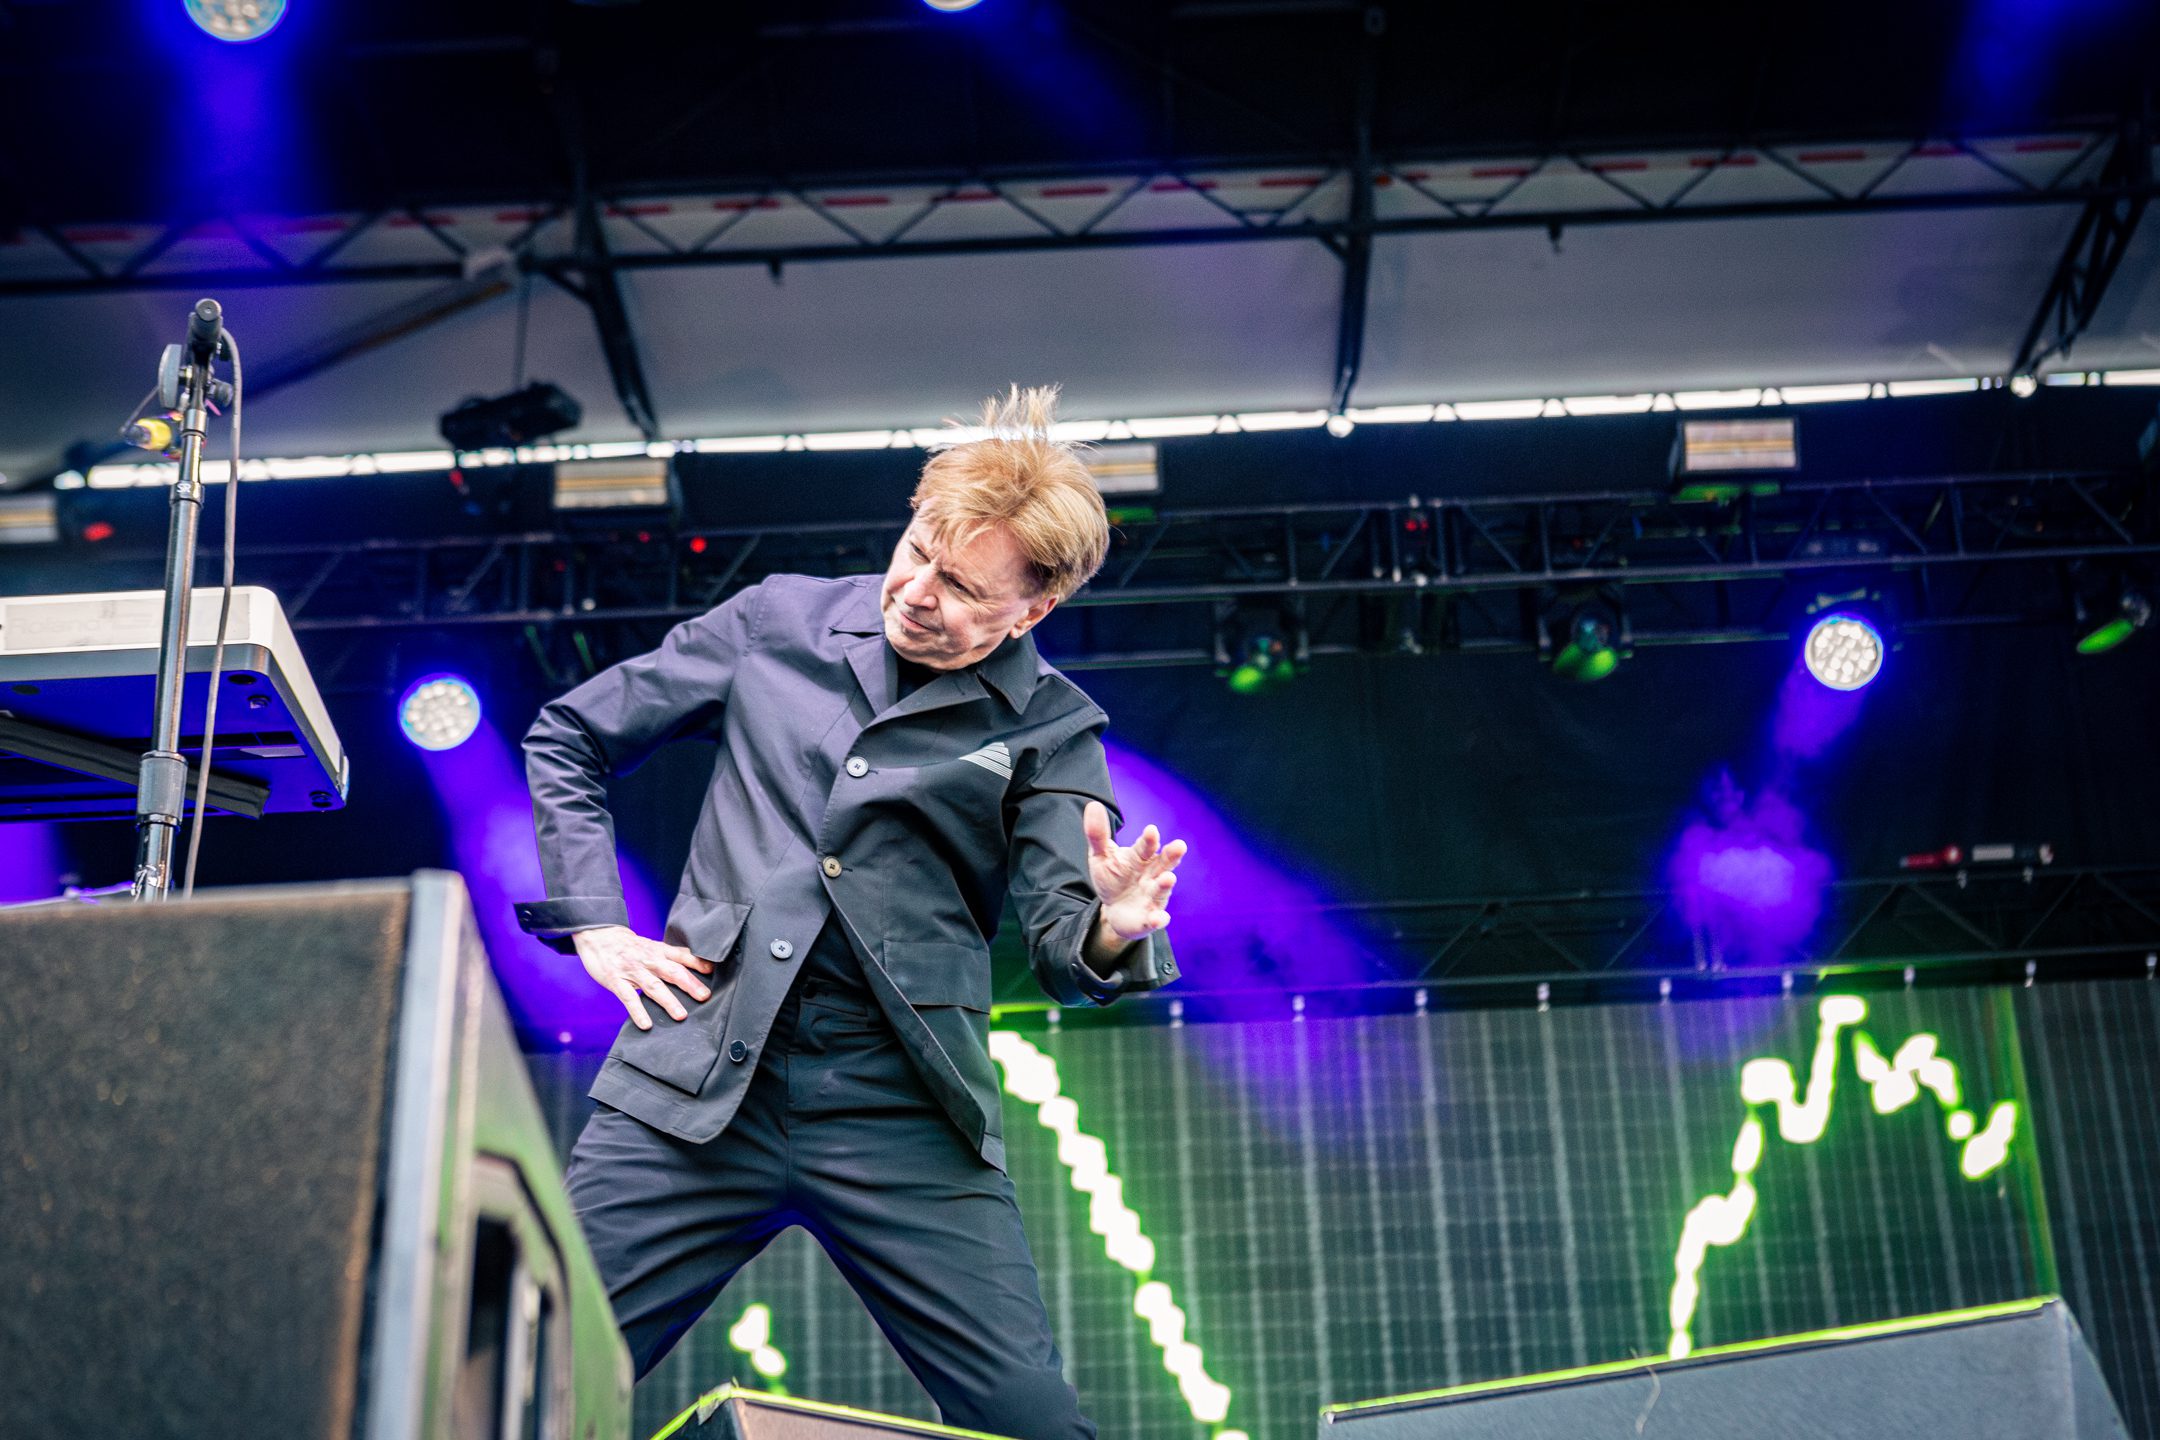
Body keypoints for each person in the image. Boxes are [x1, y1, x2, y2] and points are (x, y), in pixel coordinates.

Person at [514, 386, 1187, 1440]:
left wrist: (1112, 925)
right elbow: (569, 736)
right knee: (518, 1385)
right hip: (693, 1080)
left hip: (902, 1106)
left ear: (1033, 609)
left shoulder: (1055, 730)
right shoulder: (777, 620)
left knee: (1037, 1425)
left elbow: (1065, 941)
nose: (917, 592)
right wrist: (593, 920)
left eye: (961, 587)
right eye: (916, 550)